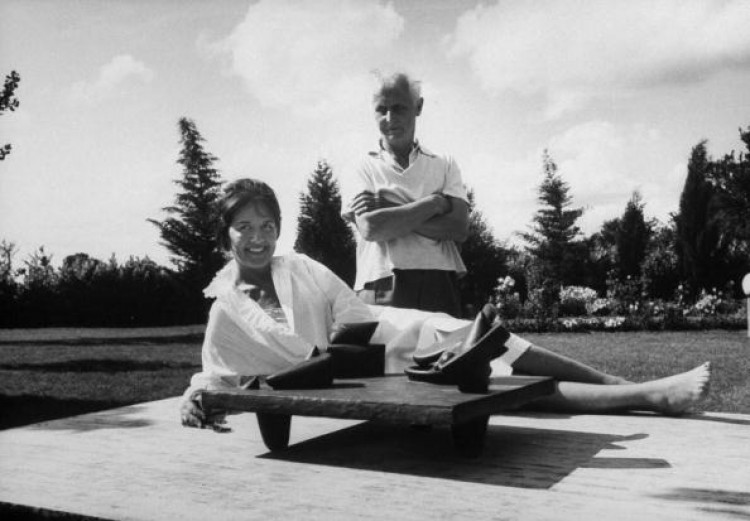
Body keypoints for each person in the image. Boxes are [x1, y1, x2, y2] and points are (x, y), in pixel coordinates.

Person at [180, 178, 711, 429]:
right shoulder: (225, 307)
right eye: (245, 227)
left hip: (384, 338)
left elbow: (355, 313)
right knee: (494, 384)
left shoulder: (297, 267)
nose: (258, 238)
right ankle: (648, 395)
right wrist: (195, 401)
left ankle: (631, 389)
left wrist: (348, 351)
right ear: (225, 235)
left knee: (495, 342)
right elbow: (213, 375)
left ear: (278, 227)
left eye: (267, 225)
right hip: (353, 379)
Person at [342, 72, 469, 317]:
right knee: (387, 356)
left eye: (399, 108)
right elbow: (371, 229)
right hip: (381, 283)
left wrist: (391, 207)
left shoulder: (444, 163)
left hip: (439, 281)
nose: (390, 118)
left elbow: (459, 228)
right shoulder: (360, 167)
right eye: (382, 109)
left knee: (443, 356)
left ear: (418, 107)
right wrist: (433, 203)